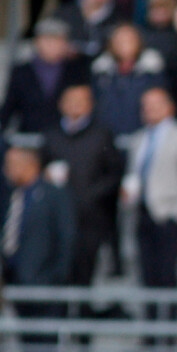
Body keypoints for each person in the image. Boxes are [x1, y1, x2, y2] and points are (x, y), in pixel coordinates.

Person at [1, 145, 76, 352]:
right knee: (27, 340)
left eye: (12, 164)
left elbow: (66, 238)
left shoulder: (54, 194)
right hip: (18, 284)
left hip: (46, 285)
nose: (6, 170)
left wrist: (56, 277)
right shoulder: (13, 196)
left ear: (29, 164)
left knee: (46, 341)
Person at [124, 87, 177, 298]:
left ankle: (168, 329)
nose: (150, 109)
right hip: (142, 215)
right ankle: (151, 329)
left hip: (169, 215)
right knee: (147, 276)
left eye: (156, 104)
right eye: (146, 105)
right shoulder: (138, 139)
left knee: (167, 276)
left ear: (170, 107)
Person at [42, 84, 123, 286]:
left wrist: (89, 195)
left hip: (90, 218)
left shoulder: (102, 134)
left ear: (91, 105)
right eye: (71, 100)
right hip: (56, 220)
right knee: (59, 272)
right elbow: (39, 171)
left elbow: (113, 175)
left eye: (81, 100)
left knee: (85, 273)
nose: (76, 105)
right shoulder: (52, 136)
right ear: (61, 104)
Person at [0, 19, 89, 135]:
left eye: (57, 40)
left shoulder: (76, 69)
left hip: (66, 140)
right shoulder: (22, 71)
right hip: (30, 137)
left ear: (65, 43)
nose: (51, 45)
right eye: (47, 40)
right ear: (37, 42)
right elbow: (9, 106)